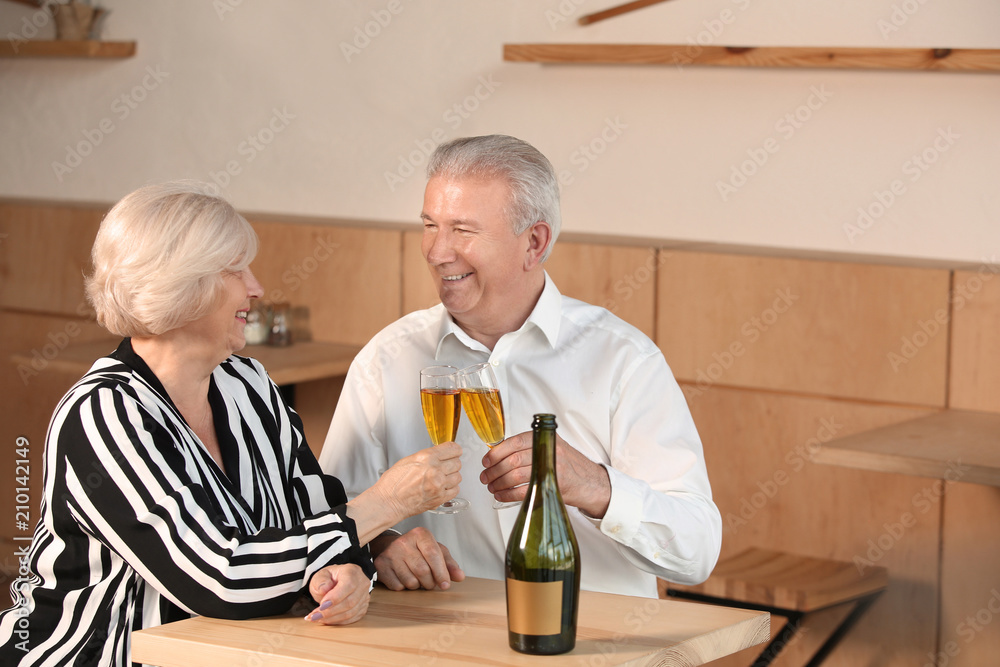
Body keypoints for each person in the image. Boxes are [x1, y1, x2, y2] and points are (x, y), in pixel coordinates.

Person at [0, 182, 462, 666]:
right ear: (182, 284)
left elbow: (315, 511)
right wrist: (386, 503)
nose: (257, 287)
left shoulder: (248, 382)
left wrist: (345, 570)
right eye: (235, 270)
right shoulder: (105, 412)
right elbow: (221, 578)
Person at [319, 135, 722, 599]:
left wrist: (591, 484)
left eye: (463, 231)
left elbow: (697, 553)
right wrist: (378, 546)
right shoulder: (386, 359)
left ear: (534, 242)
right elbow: (330, 516)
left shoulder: (622, 359)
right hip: (441, 647)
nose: (436, 251)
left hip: (591, 648)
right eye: (430, 225)